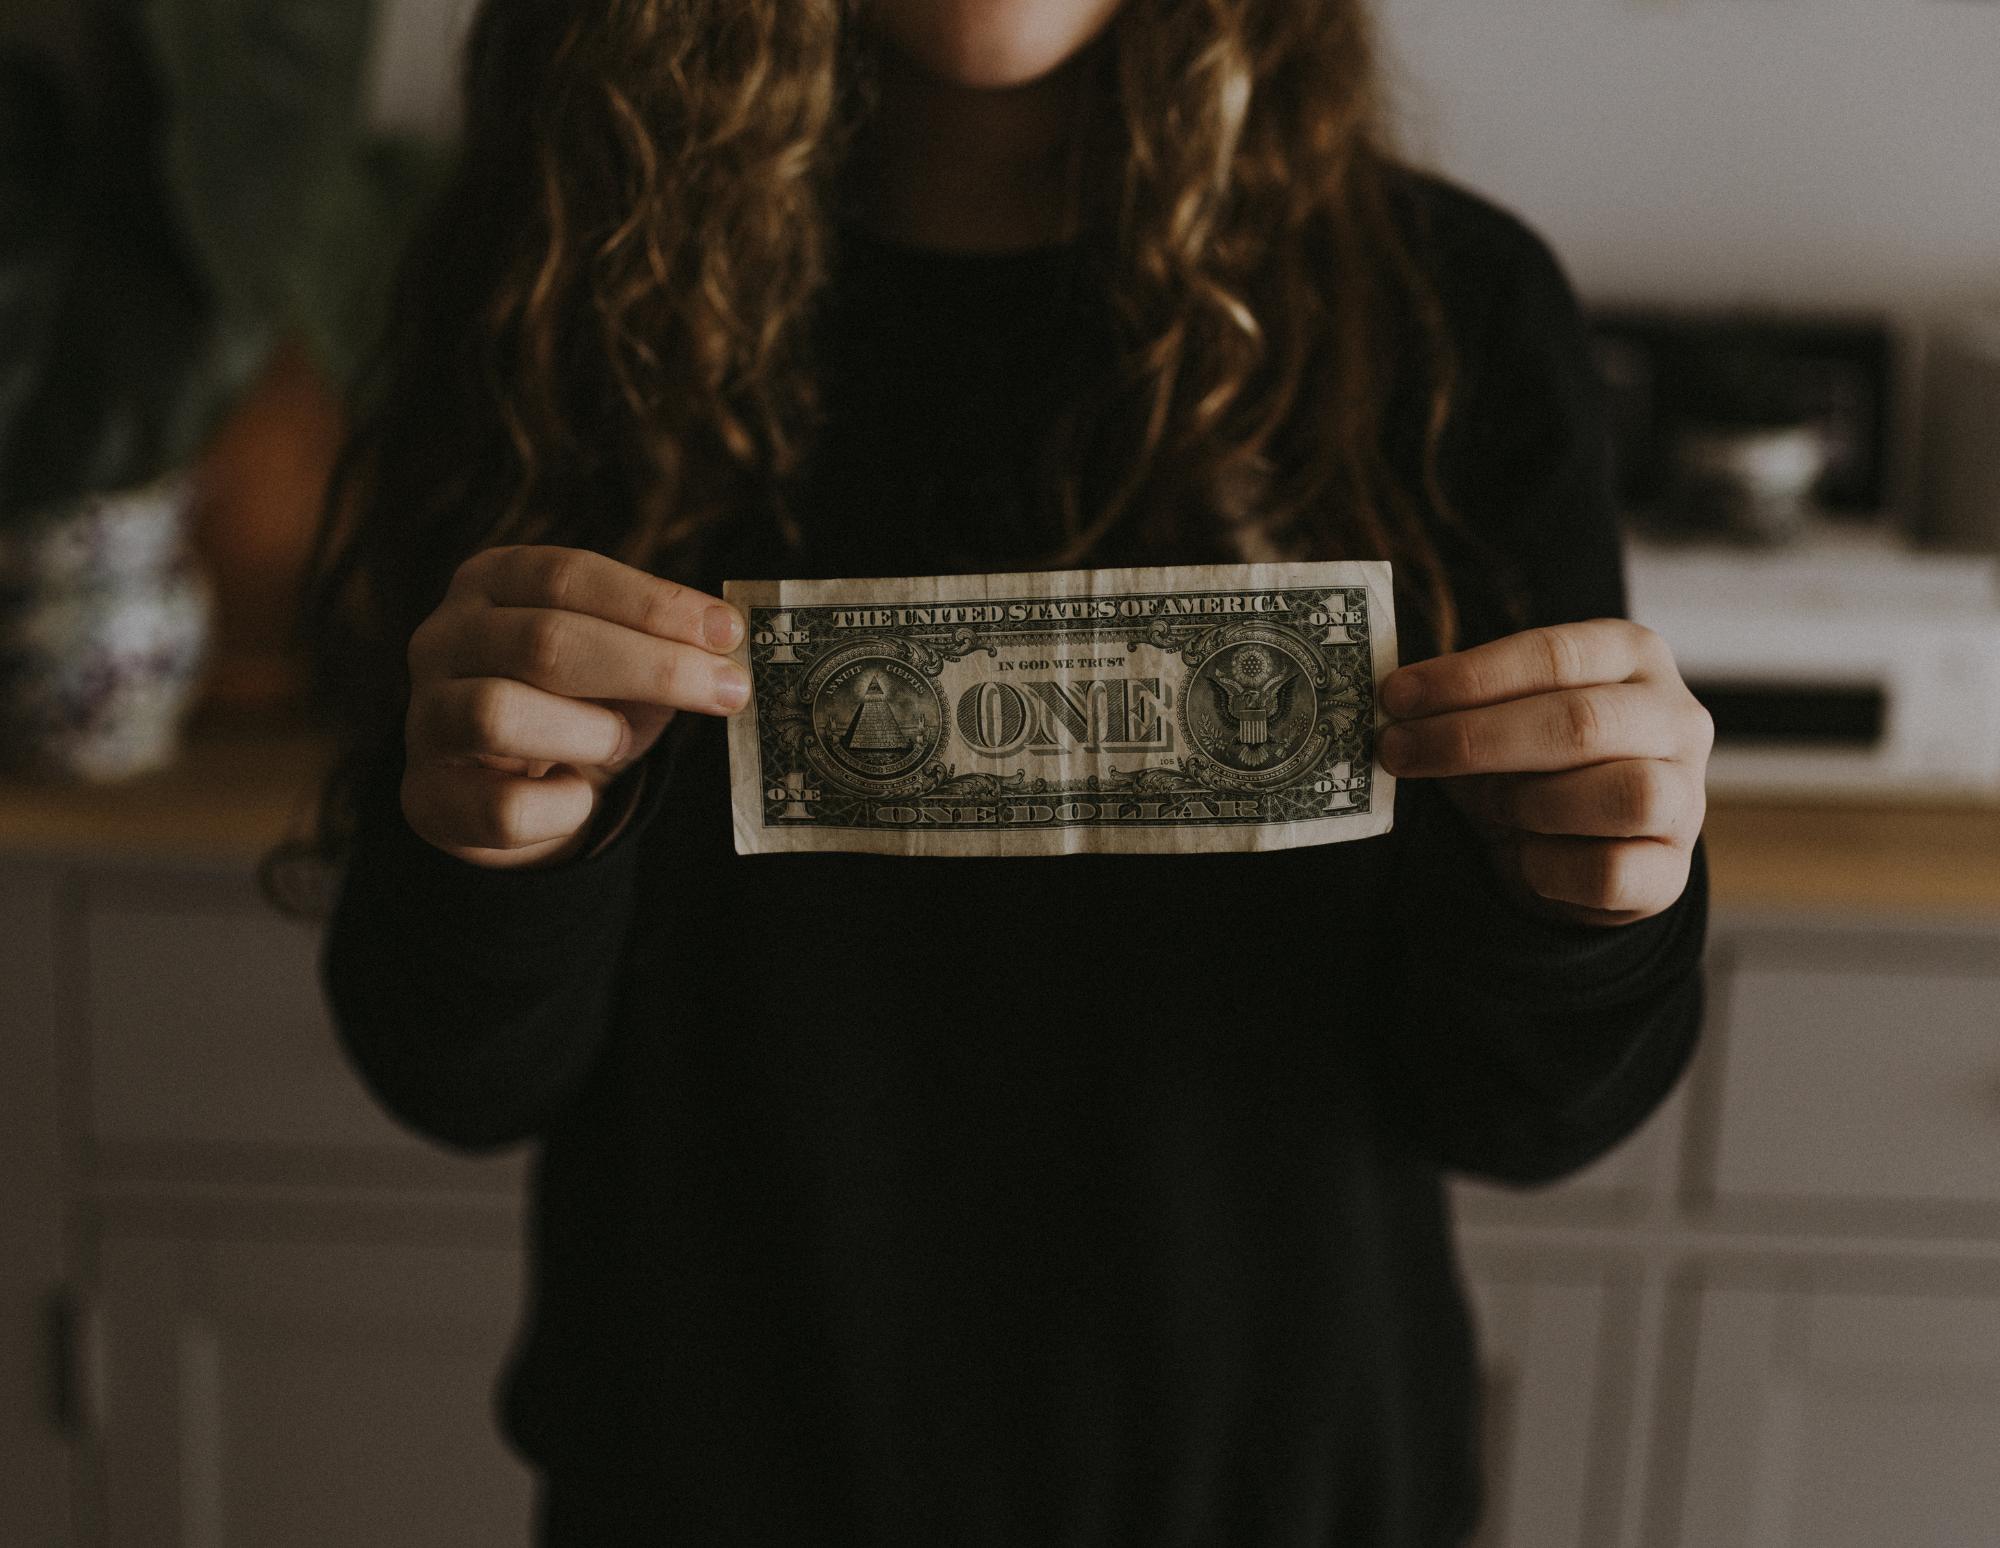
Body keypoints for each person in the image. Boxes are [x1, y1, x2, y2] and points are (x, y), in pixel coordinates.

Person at [274, 1, 1713, 1542]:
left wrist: (1593, 910)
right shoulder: (547, 290)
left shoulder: (1447, 317)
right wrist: (488, 853)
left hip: (1275, 1492)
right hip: (712, 1492)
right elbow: (458, 1074)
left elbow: (1519, 1113)